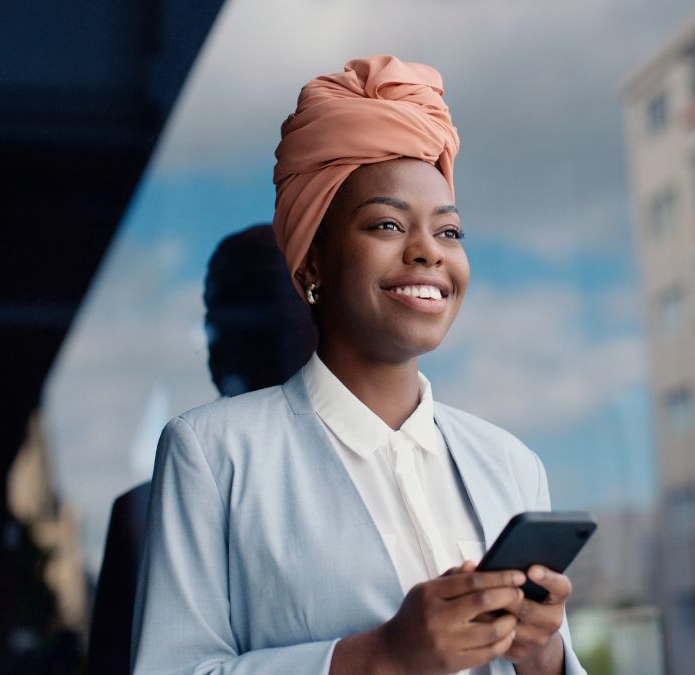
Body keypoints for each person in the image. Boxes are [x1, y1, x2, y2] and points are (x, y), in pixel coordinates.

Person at [131, 55, 585, 675]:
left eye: (449, 233)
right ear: (312, 264)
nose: (428, 251)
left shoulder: (510, 465)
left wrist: (546, 655)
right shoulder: (214, 454)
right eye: (388, 224)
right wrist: (382, 656)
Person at [88, 224, 316, 675]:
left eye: (258, 317)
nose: (219, 347)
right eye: (217, 322)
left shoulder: (403, 483)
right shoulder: (145, 512)